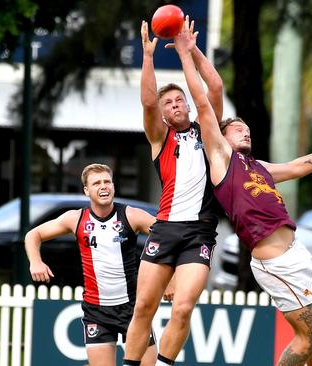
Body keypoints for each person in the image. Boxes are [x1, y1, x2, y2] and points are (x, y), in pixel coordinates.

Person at [171, 17, 312, 366]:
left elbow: (299, 166)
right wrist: (188, 55)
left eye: (247, 128)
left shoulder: (259, 168)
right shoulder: (220, 158)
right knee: (308, 338)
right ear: (221, 137)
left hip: (297, 252)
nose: (245, 131)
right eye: (237, 129)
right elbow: (206, 100)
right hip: (276, 261)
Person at [122, 19, 225, 366]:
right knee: (143, 307)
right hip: (164, 228)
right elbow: (148, 102)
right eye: (170, 103)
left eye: (180, 99)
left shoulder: (208, 131)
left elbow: (215, 87)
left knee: (182, 307)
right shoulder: (159, 138)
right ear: (164, 115)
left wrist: (190, 51)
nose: (176, 104)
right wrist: (148, 58)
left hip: (199, 232)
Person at [25, 163, 158, 366]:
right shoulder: (76, 219)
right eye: (96, 183)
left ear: (113, 186)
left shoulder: (131, 215)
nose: (103, 186)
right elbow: (33, 235)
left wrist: (172, 277)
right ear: (87, 190)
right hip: (97, 311)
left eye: (107, 182)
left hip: (133, 309)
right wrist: (36, 262)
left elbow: (166, 237)